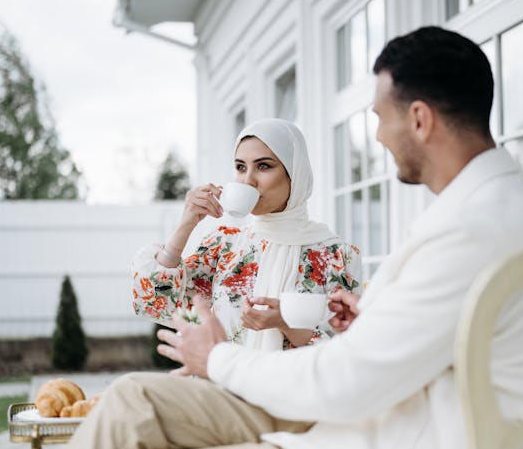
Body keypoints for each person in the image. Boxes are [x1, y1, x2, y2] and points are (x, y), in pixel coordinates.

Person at [29, 26, 523, 449]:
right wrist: (369, 320)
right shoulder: (518, 212)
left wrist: (219, 357)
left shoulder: (465, 228)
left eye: (380, 119)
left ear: (419, 119)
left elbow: (349, 379)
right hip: (358, 418)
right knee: (133, 398)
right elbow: (428, 347)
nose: (380, 137)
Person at [131, 118, 362, 350]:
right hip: (219, 382)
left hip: (291, 384)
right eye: (241, 167)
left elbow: (347, 353)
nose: (247, 181)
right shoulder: (226, 245)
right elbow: (156, 303)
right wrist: (186, 225)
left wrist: (286, 324)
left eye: (263, 166)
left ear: (295, 173)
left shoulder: (336, 256)